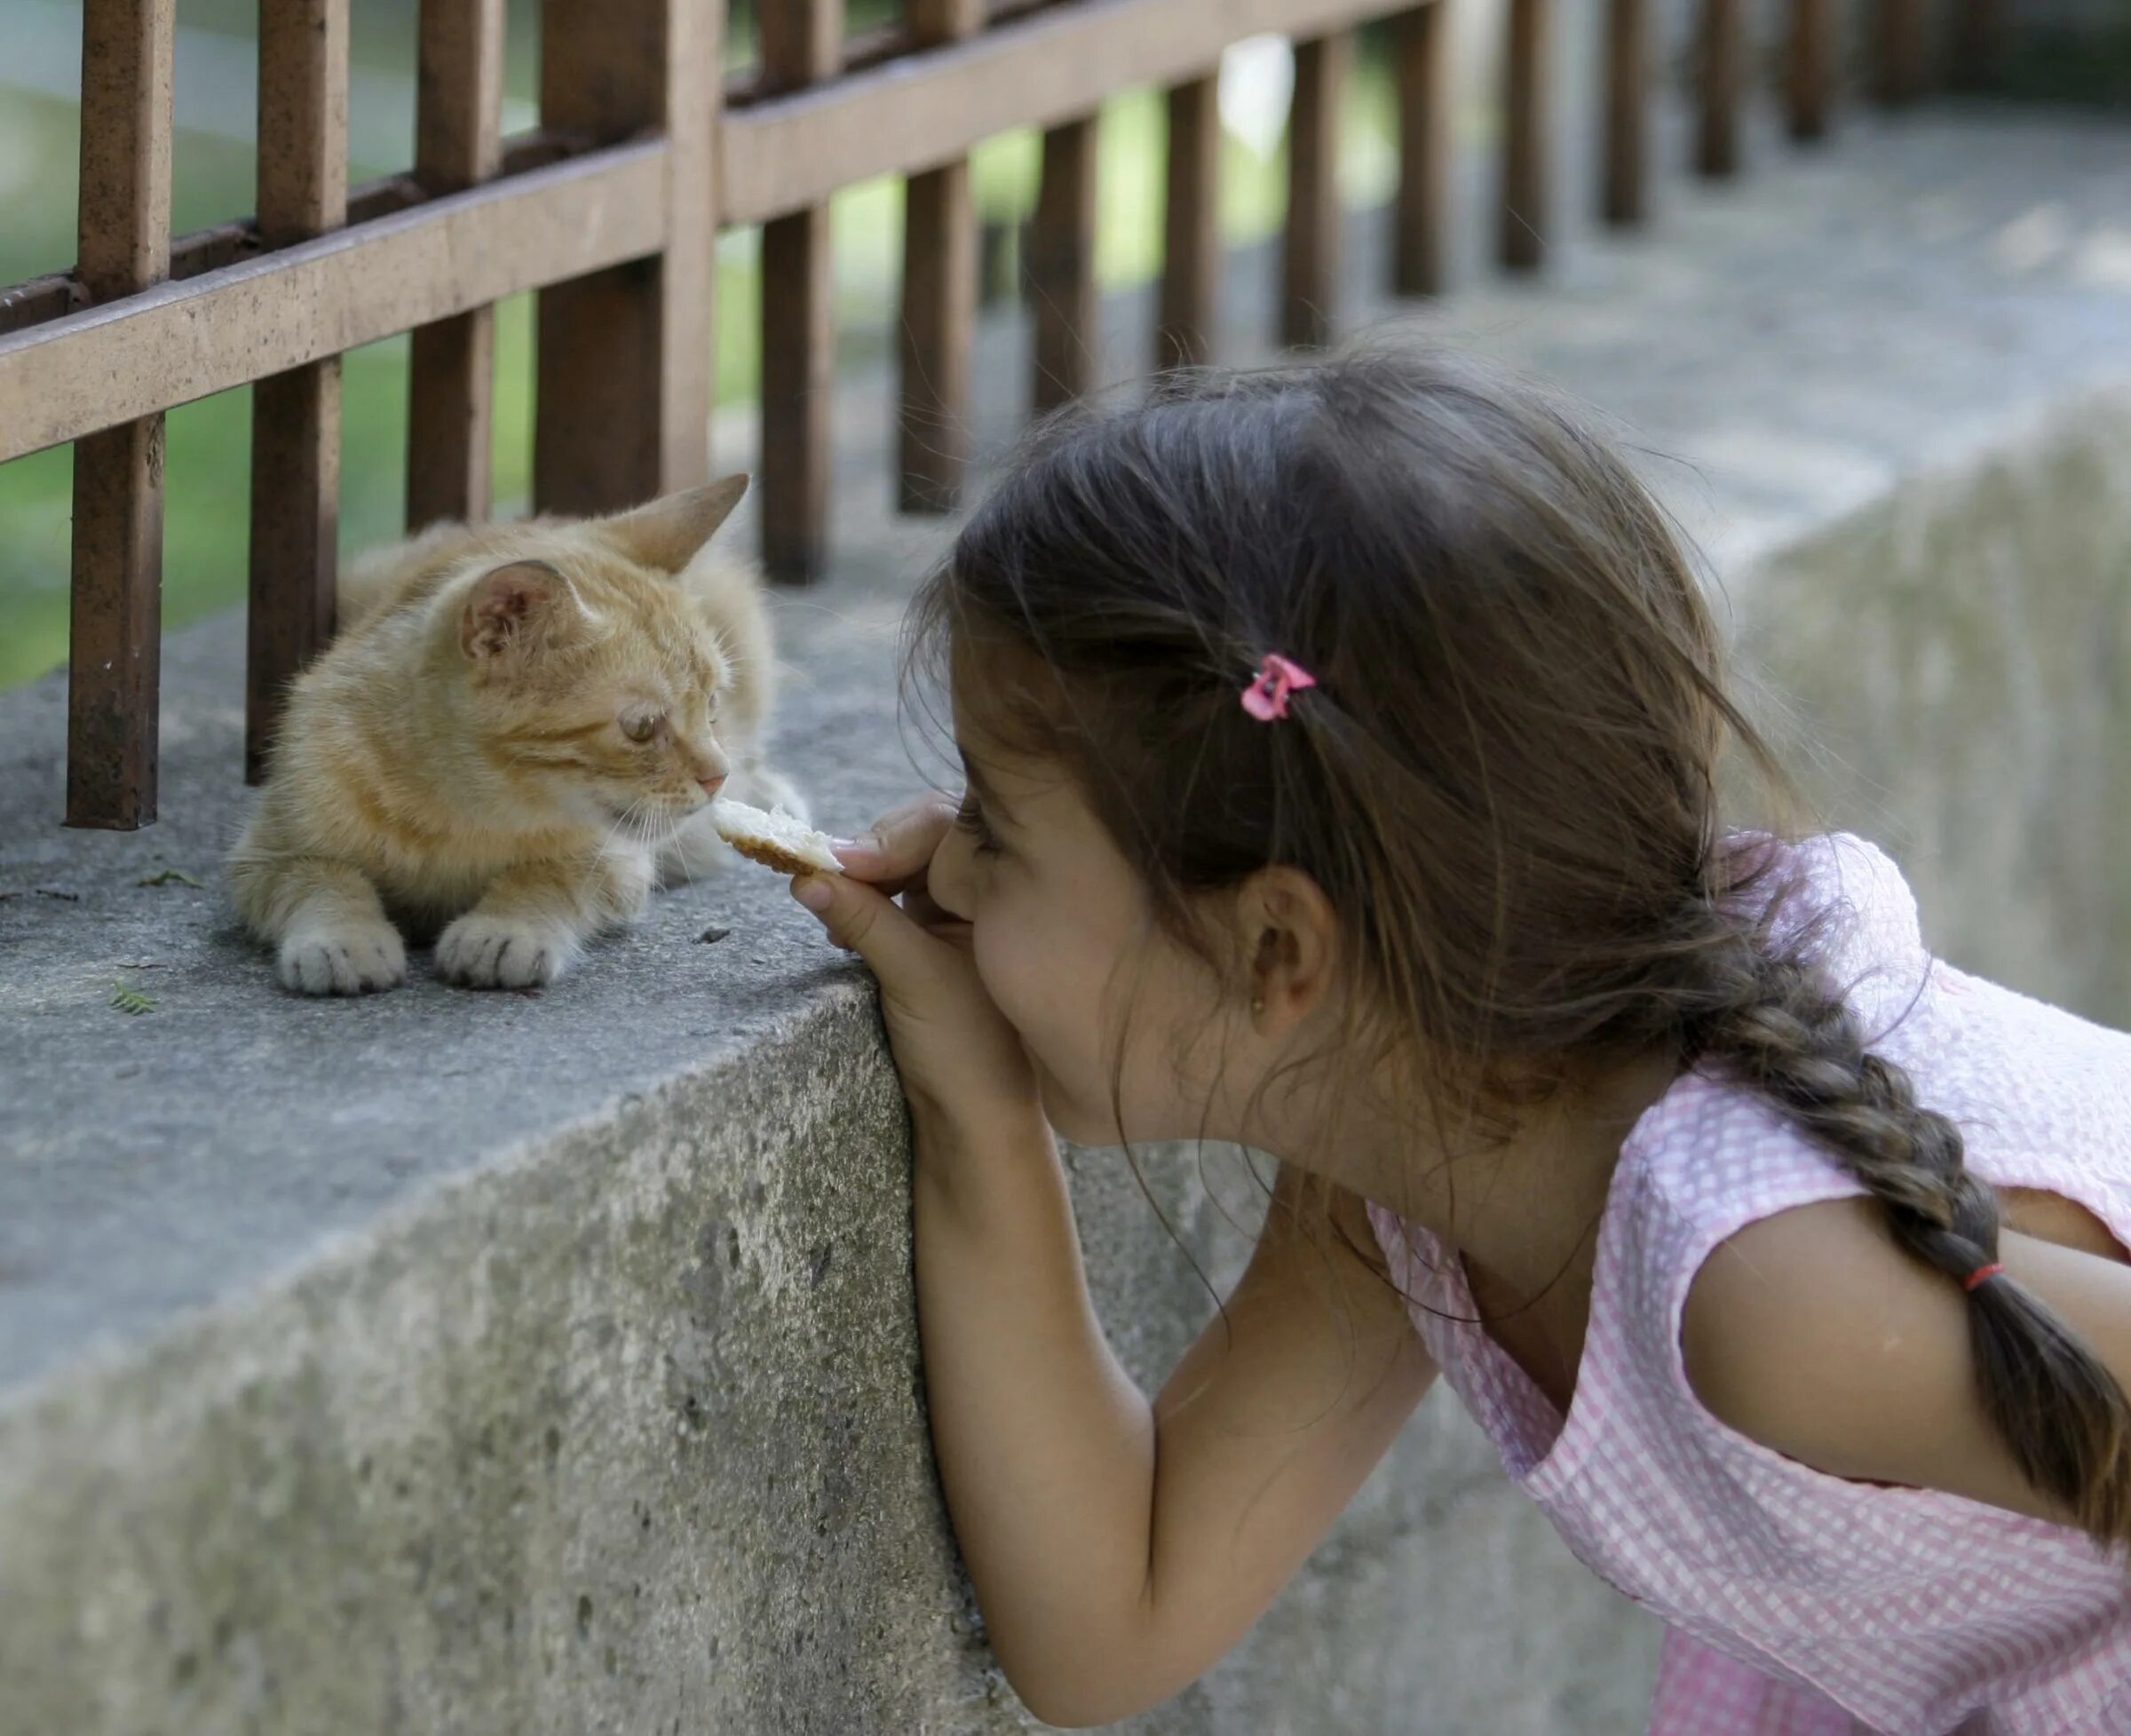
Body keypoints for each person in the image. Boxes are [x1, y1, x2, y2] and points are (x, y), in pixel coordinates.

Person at [788, 351, 2131, 1733]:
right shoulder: (1417, 1157)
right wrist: (975, 1114)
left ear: (1277, 952)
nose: (943, 876)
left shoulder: (1768, 1285)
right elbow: (1110, 1624)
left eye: (997, 829)